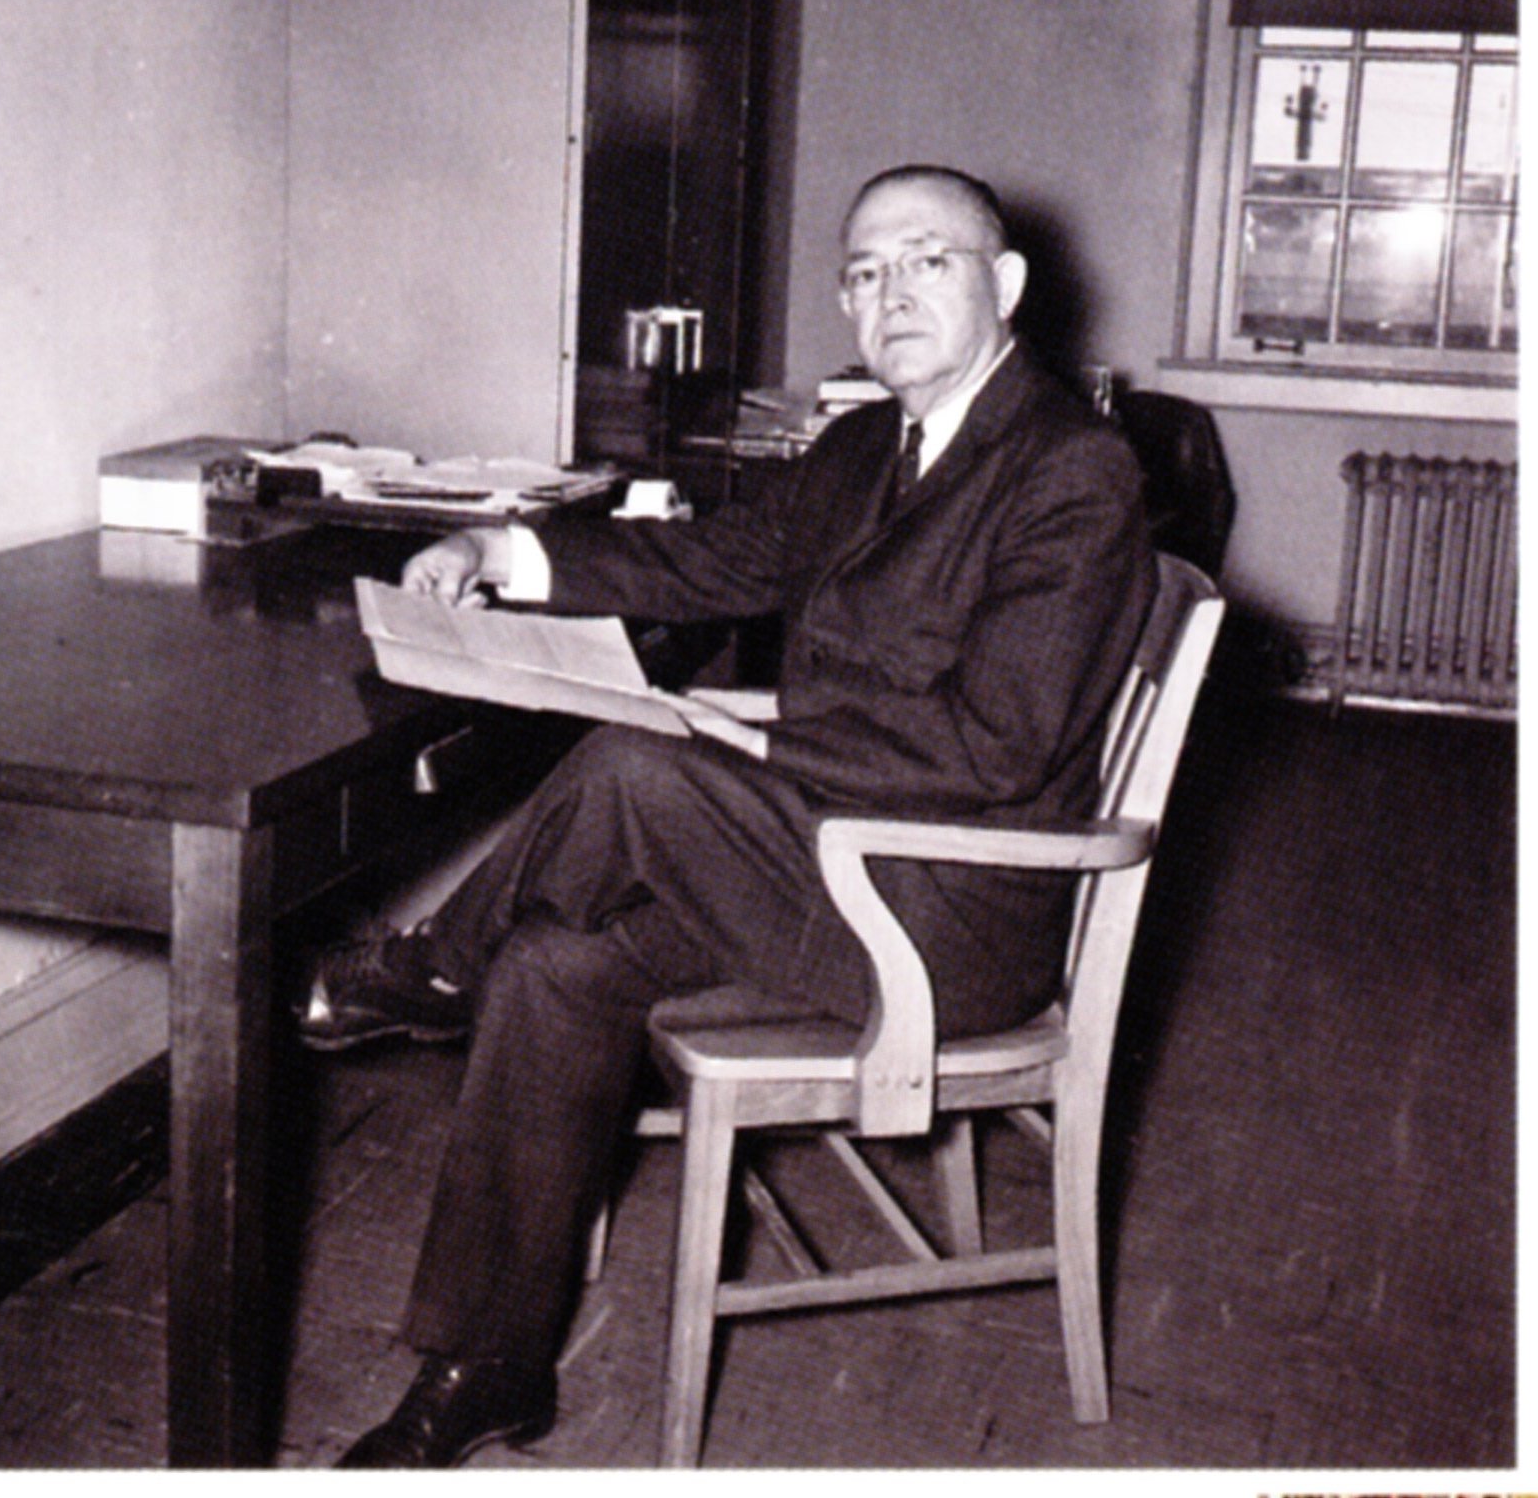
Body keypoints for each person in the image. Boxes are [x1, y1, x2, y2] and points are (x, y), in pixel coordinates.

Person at [304, 164, 1157, 1467]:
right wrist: (502, 554)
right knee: (552, 962)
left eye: (928, 259)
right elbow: (709, 561)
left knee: (641, 768)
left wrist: (750, 731)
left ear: (1009, 285)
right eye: (866, 272)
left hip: (939, 914)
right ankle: (485, 1362)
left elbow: (1000, 742)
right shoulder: (862, 441)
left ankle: (428, 964)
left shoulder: (1071, 468)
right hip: (809, 862)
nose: (892, 294)